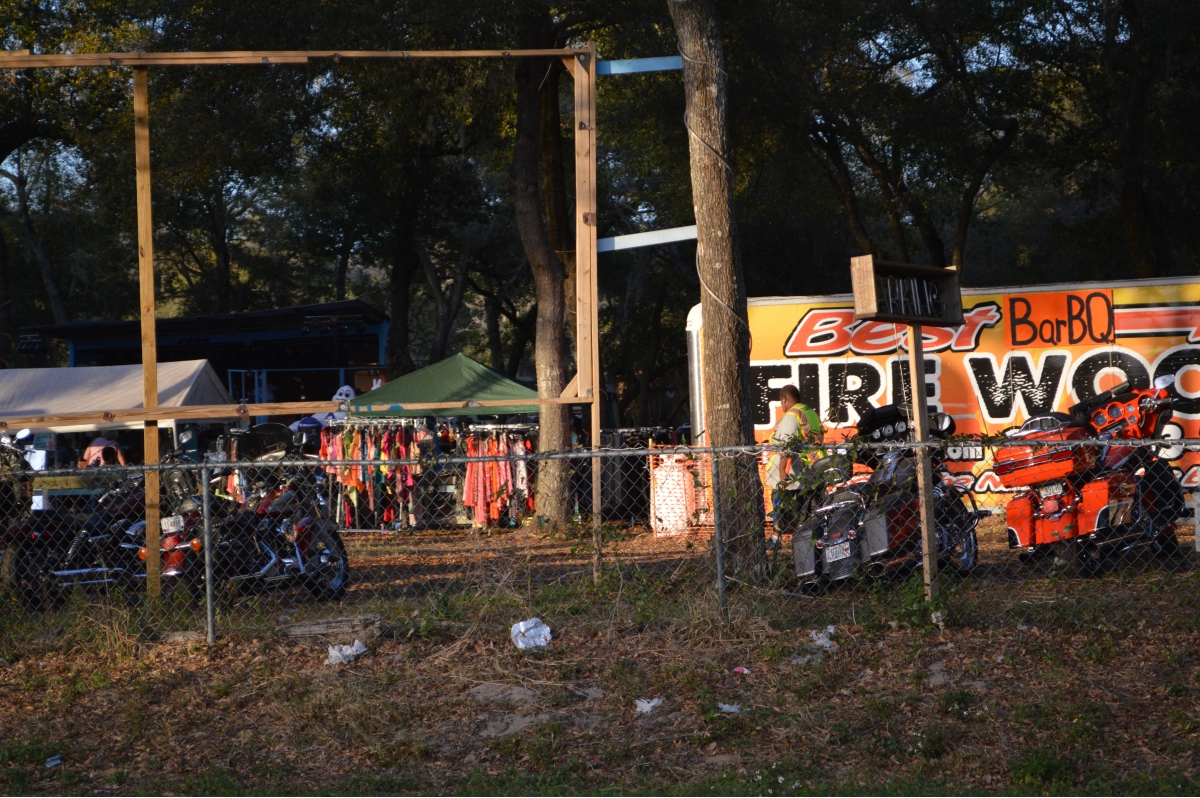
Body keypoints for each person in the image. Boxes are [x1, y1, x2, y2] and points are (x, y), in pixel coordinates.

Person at [765, 385, 824, 535]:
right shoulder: (809, 413)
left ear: (783, 399)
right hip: (812, 470)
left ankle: (778, 540)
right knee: (811, 518)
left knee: (786, 518)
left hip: (793, 475)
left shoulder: (791, 416)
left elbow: (786, 444)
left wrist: (781, 469)